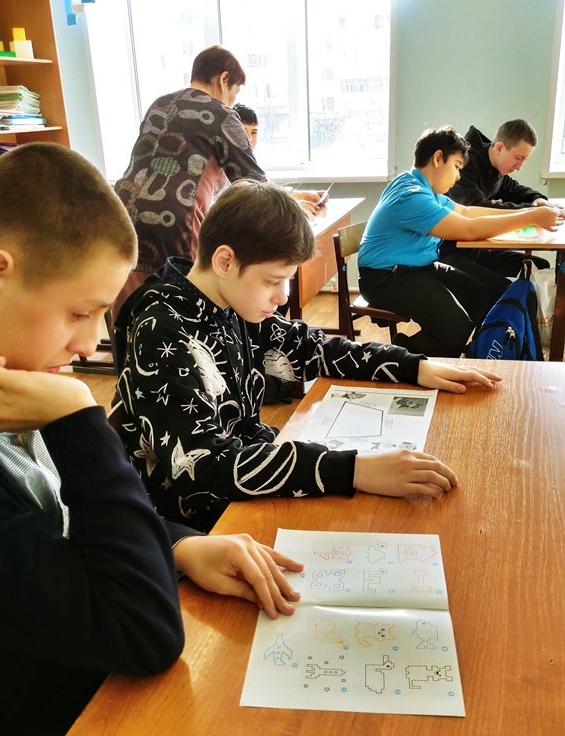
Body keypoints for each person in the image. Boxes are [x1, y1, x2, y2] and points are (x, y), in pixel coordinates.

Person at [0, 143, 304, 735]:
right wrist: (78, 419)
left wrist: (177, 546)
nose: (88, 345)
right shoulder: (37, 398)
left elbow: (57, 527)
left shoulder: (3, 378)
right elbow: (143, 631)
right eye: (79, 313)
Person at [113, 178, 503, 536]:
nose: (283, 296)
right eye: (273, 280)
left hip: (244, 488)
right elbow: (204, 465)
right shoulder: (162, 330)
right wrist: (353, 470)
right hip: (197, 527)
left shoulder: (229, 299)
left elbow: (311, 347)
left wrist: (413, 366)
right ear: (225, 262)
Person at [114, 45, 326, 316]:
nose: (232, 101)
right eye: (234, 92)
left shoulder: (160, 104)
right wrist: (291, 204)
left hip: (123, 212)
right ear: (224, 80)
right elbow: (254, 186)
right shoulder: (222, 115)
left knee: (133, 302)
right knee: (183, 306)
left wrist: (290, 195)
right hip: (175, 219)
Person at [357, 126, 561, 358]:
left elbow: (466, 212)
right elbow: (469, 230)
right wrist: (530, 217)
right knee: (454, 327)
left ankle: (468, 354)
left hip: (415, 268)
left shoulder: (423, 188)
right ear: (438, 158)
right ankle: (400, 356)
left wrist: (528, 213)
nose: (457, 176)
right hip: (385, 278)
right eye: (456, 166)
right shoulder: (411, 195)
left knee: (480, 294)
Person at [440, 119, 559, 277]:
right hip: (453, 250)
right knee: (503, 287)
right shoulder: (466, 164)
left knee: (539, 266)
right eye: (518, 158)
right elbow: (477, 208)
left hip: (476, 246)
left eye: (524, 160)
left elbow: (513, 189)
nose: (519, 167)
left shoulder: (495, 168)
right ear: (500, 147)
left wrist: (536, 199)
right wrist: (532, 212)